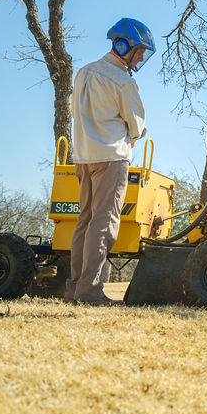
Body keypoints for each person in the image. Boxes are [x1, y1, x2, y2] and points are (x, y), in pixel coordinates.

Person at [65, 18, 155, 306]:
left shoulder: (83, 73)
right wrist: (136, 132)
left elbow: (75, 114)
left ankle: (75, 288)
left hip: (83, 157)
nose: (141, 57)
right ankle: (90, 292)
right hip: (112, 157)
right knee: (104, 224)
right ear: (122, 44)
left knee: (85, 221)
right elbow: (137, 126)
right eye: (139, 50)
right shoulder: (123, 81)